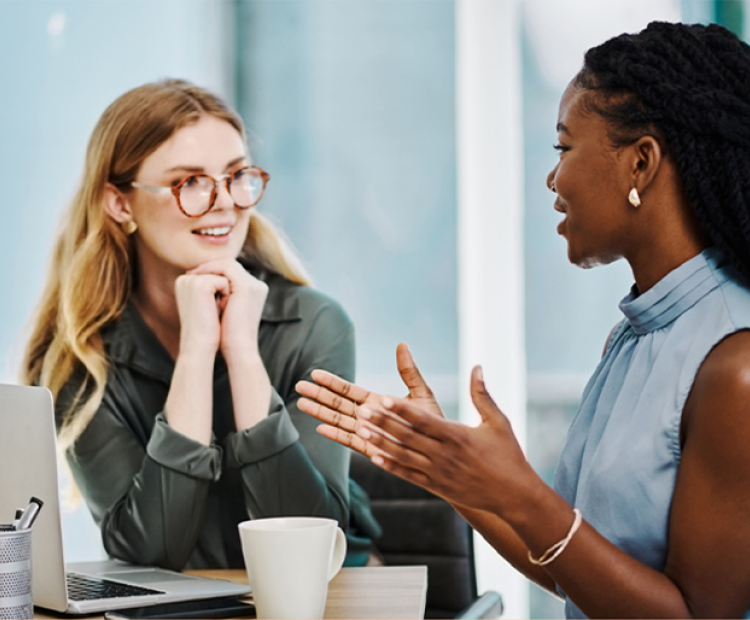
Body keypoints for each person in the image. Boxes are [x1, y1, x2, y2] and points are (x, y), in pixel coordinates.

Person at [297, 21, 750, 618]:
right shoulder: (638, 334)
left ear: (641, 163)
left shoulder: (734, 364)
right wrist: (451, 473)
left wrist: (523, 492)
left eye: (563, 148)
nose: (552, 180)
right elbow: (569, 563)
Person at [22, 79, 378, 570]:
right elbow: (150, 554)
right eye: (189, 182)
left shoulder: (314, 325)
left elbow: (307, 554)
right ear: (120, 203)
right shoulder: (77, 357)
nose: (225, 202)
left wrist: (243, 357)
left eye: (236, 176)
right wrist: (195, 355)